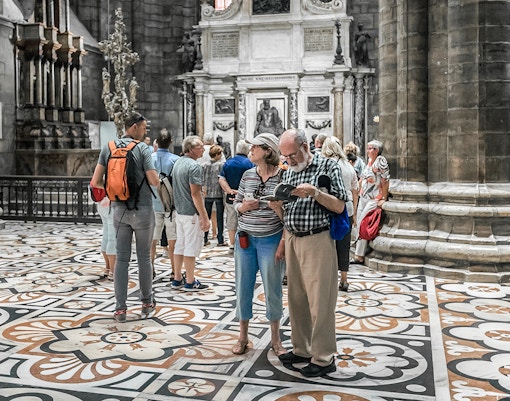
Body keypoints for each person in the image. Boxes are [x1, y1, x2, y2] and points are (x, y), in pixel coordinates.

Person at [275, 128, 348, 378]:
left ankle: (324, 356)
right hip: (293, 238)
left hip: (318, 239)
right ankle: (302, 349)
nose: (289, 160)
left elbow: (340, 206)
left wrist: (316, 193)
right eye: (285, 157)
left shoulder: (327, 167)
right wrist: (276, 207)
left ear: (306, 146)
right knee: (297, 300)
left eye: (292, 155)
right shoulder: (289, 172)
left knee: (321, 301)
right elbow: (287, 211)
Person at [91, 112, 159, 322]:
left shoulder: (108, 147)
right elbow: (154, 181)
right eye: (144, 128)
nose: (145, 131)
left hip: (119, 210)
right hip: (143, 209)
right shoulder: (142, 149)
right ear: (135, 127)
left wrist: (114, 191)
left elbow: (95, 181)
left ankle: (120, 308)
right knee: (144, 257)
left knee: (121, 259)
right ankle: (146, 301)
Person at [232, 133, 286, 356]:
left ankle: (276, 339)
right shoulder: (247, 175)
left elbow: (289, 216)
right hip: (245, 239)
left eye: (255, 147)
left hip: (271, 239)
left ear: (267, 151)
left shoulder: (283, 177)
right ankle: (243, 336)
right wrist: (243, 208)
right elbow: (236, 204)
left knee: (272, 289)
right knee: (243, 287)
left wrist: (277, 209)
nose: (250, 150)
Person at [171, 135, 210, 291]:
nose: (203, 149)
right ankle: (190, 281)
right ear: (191, 149)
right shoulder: (194, 166)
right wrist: (204, 217)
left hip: (179, 211)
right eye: (200, 146)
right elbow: (195, 194)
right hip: (190, 213)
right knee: (190, 247)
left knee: (180, 245)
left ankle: (177, 278)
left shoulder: (178, 163)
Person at [321, 136, 359, 291]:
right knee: (344, 245)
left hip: (329, 208)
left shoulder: (325, 165)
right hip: (347, 209)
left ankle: (327, 278)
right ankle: (344, 279)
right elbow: (355, 190)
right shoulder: (349, 166)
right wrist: (354, 213)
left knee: (326, 244)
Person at [352, 139, 390, 264]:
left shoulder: (380, 161)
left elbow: (385, 180)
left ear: (377, 150)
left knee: (363, 222)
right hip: (364, 196)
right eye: (367, 148)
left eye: (371, 149)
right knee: (358, 222)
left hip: (374, 198)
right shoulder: (369, 162)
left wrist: (383, 198)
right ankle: (358, 252)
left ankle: (359, 255)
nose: (368, 151)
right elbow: (363, 177)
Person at [150, 128, 179, 280]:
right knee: (173, 240)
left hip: (152, 204)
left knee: (152, 240)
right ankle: (175, 272)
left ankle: (150, 268)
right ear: (171, 143)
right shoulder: (175, 160)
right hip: (170, 206)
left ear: (157, 142)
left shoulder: (149, 158)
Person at [219, 140, 255, 252]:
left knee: (231, 220)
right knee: (245, 219)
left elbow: (221, 178)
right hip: (246, 197)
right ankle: (244, 243)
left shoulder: (228, 162)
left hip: (231, 197)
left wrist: (229, 190)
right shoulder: (250, 163)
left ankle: (232, 245)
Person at [203, 144, 227, 246]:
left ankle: (204, 238)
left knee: (206, 217)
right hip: (218, 193)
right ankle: (220, 239)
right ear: (216, 154)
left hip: (207, 194)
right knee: (219, 218)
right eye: (220, 153)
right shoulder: (221, 165)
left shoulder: (204, 165)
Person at [96, 195, 116, 281]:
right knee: (112, 238)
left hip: (101, 204)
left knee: (106, 235)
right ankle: (113, 270)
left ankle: (107, 268)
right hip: (110, 205)